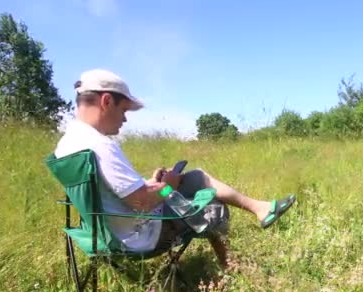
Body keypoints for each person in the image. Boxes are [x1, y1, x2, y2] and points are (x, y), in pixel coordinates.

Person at [54, 69, 296, 267]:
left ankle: (260, 208)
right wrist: (167, 186)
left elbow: (117, 195)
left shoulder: (67, 144)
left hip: (105, 231)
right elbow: (142, 204)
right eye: (123, 110)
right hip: (140, 235)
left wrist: (152, 182)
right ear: (107, 101)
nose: (125, 119)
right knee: (214, 206)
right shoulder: (101, 145)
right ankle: (229, 268)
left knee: (195, 177)